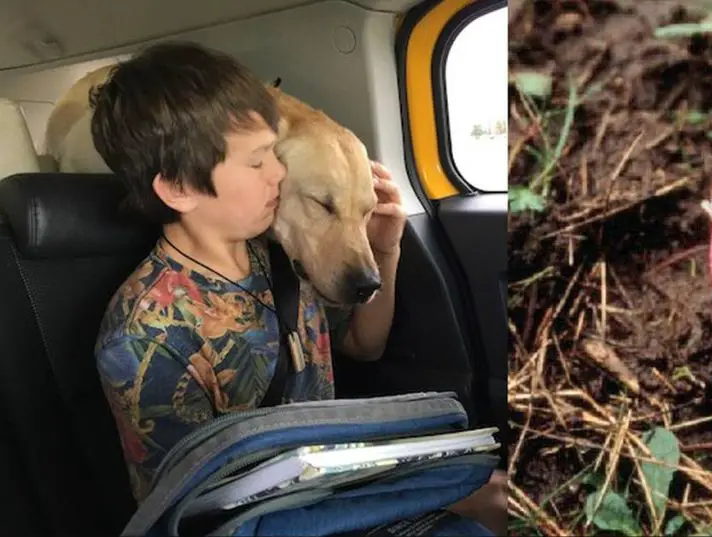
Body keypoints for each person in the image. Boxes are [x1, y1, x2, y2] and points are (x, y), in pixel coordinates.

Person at [90, 41, 505, 533]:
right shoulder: (142, 335)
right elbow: (194, 517)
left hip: (336, 488)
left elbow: (363, 346)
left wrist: (388, 250)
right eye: (258, 160)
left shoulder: (280, 257)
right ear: (180, 187)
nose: (280, 172)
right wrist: (415, 497)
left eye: (275, 152)